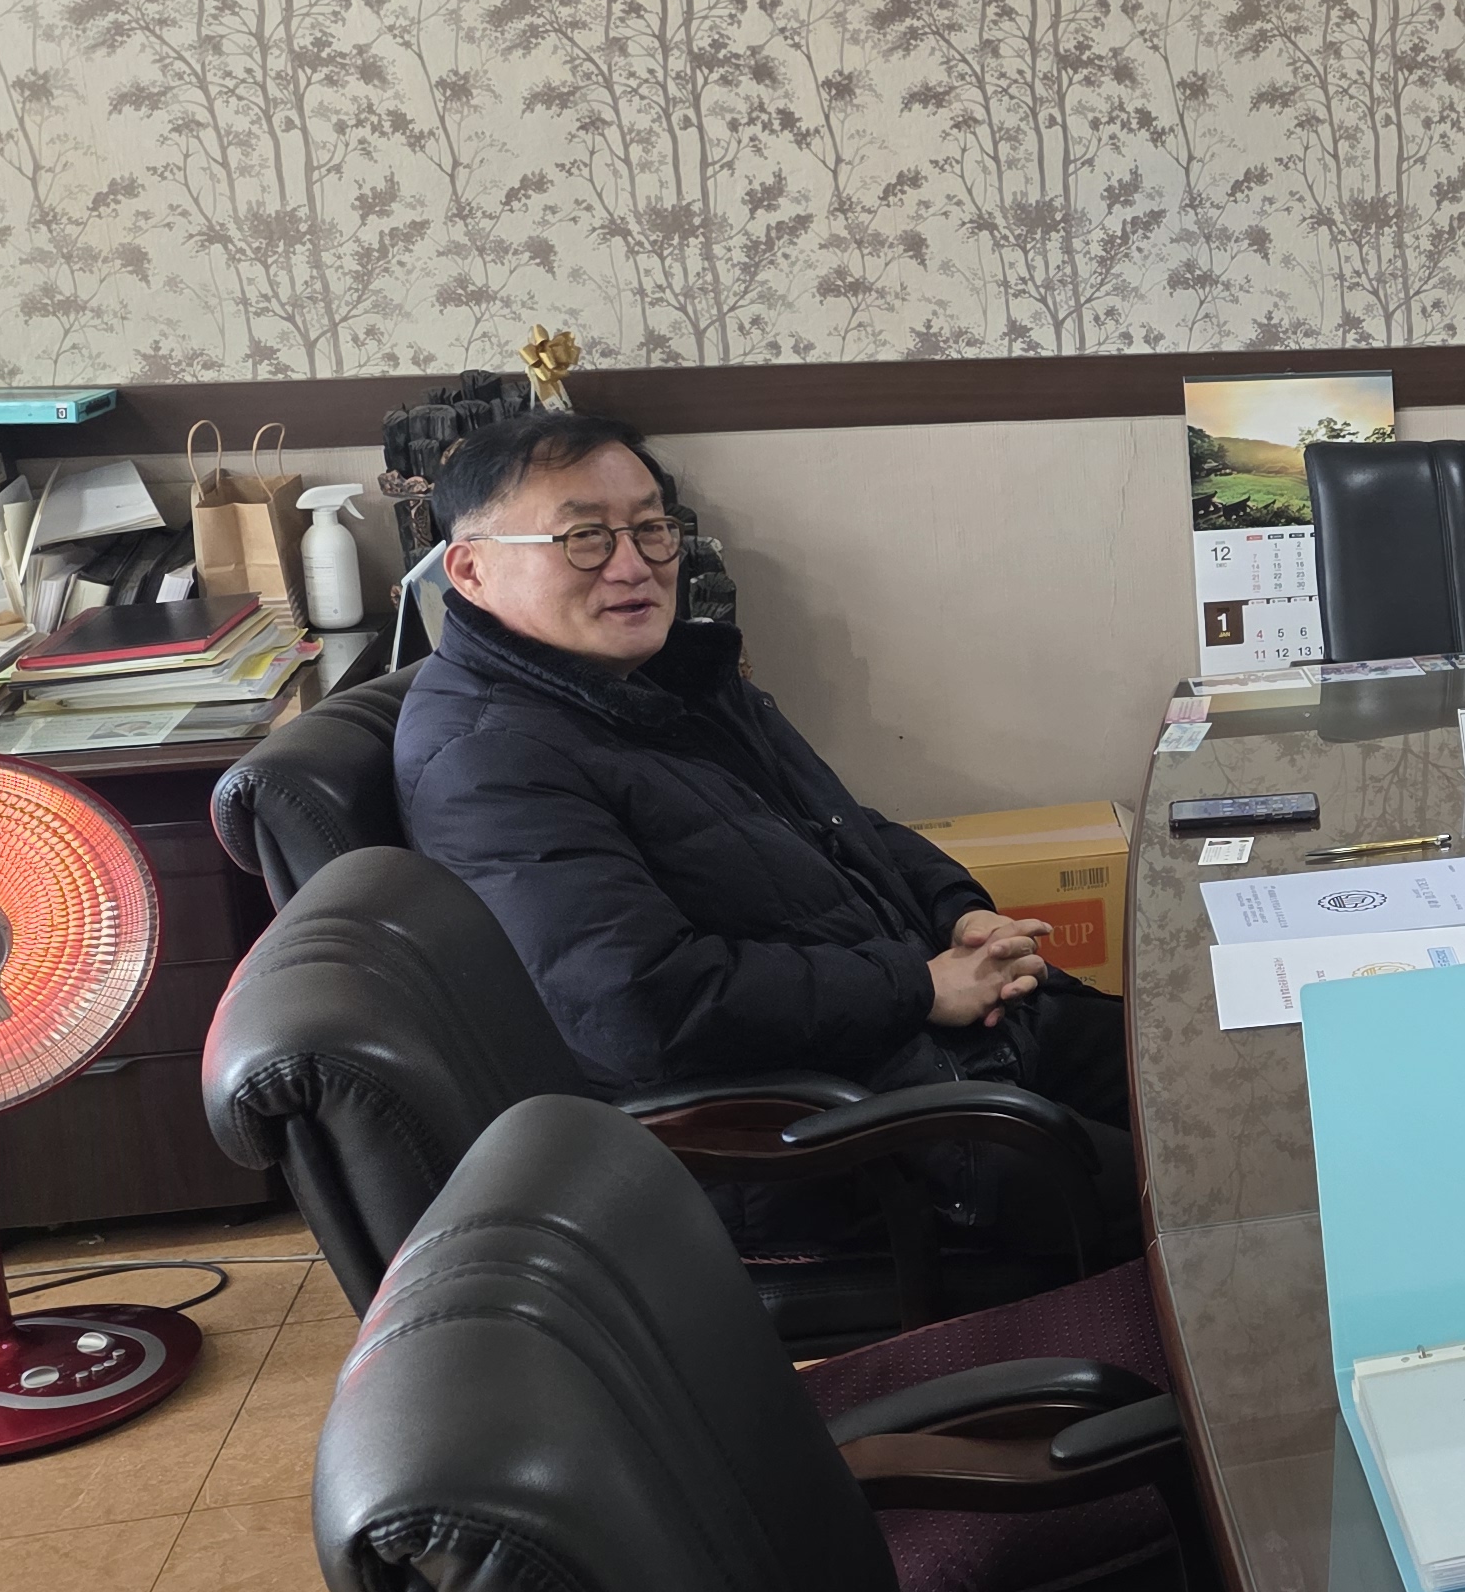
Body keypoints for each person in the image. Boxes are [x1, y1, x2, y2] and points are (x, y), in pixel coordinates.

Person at [394, 411, 1134, 1253]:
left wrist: (961, 913)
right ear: (471, 569)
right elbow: (644, 1006)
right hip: (830, 1145)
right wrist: (918, 986)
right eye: (585, 539)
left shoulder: (668, 677)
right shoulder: (487, 761)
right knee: (1201, 1179)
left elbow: (847, 825)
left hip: (931, 1046)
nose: (634, 565)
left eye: (651, 529)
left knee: (1214, 1074)